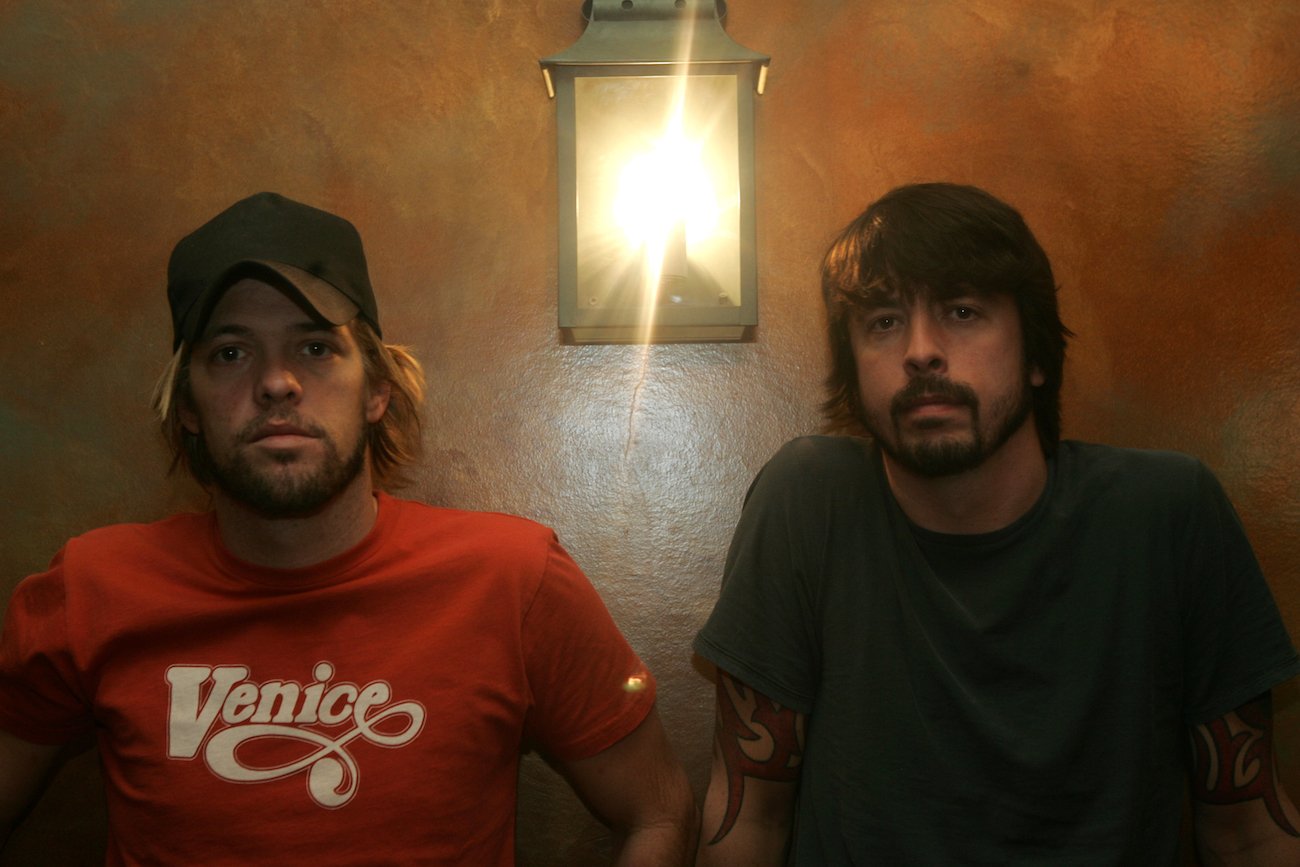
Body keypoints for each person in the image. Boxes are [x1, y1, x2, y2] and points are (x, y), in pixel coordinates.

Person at [0, 192, 696, 864]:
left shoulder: (514, 578)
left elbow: (659, 811)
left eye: (314, 349)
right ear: (187, 404)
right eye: (231, 353)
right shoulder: (91, 588)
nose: (276, 383)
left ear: (378, 390)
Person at [693, 183, 1300, 865]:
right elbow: (751, 819)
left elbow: (1249, 830)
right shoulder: (808, 501)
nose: (920, 351)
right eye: (884, 322)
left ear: (1036, 355)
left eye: (961, 310)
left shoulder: (1165, 513)